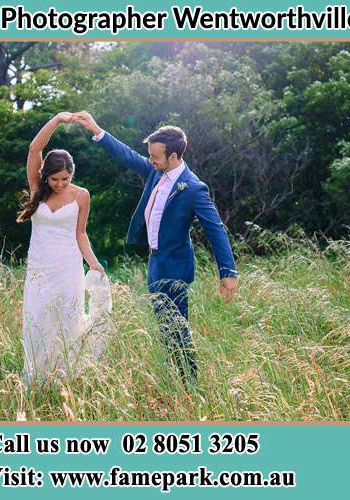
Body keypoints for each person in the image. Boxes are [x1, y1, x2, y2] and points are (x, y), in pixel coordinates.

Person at [74, 111, 238, 387]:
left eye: (155, 156)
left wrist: (228, 272)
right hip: (154, 264)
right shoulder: (154, 170)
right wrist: (97, 131)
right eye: (150, 155)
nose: (150, 160)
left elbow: (215, 229)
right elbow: (126, 155)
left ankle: (190, 385)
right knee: (166, 329)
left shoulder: (194, 188)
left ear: (173, 156)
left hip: (175, 266)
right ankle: (180, 380)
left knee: (177, 328)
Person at [16, 112, 109, 387]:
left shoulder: (81, 195)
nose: (59, 184)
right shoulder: (37, 189)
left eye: (64, 179)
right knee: (37, 319)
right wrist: (57, 120)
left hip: (68, 267)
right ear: (46, 176)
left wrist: (94, 263)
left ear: (72, 176)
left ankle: (63, 378)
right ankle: (37, 378)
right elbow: (35, 149)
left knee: (67, 321)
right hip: (40, 267)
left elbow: (80, 233)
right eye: (54, 179)